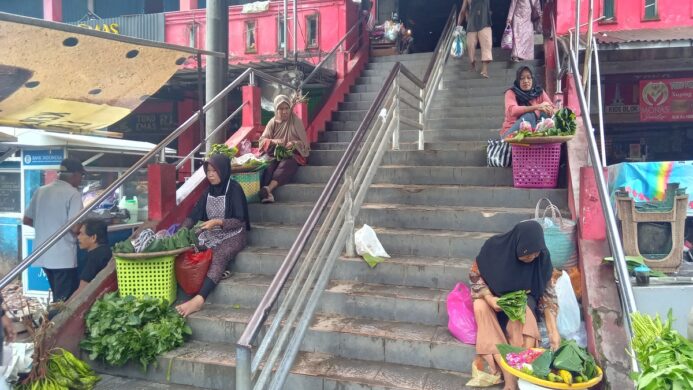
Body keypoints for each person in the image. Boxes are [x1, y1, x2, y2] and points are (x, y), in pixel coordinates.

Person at [470, 220, 560, 390]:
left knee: (523, 318)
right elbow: (475, 276)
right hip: (494, 300)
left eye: (535, 254)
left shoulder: (542, 258)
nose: (532, 257)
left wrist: (553, 330)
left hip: (522, 302)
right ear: (516, 245)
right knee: (479, 306)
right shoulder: (494, 248)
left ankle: (517, 374)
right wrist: (490, 299)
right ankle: (510, 379)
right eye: (527, 254)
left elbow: (548, 295)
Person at [177, 154, 250, 317]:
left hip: (234, 233)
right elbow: (194, 215)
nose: (210, 174)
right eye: (208, 171)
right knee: (193, 247)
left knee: (219, 254)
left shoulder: (234, 189)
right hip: (213, 232)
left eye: (214, 171)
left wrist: (217, 222)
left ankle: (199, 300)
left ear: (223, 171)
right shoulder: (207, 192)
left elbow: (240, 220)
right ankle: (216, 274)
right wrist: (182, 231)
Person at [23, 158, 85, 302]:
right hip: (63, 257)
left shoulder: (41, 191)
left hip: (42, 254)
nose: (81, 179)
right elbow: (75, 226)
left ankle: (52, 322)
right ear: (75, 174)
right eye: (82, 175)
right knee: (64, 301)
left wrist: (46, 227)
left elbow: (27, 219)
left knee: (57, 296)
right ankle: (57, 323)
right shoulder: (73, 194)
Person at [258, 95, 310, 204]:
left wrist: (294, 143)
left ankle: (268, 189)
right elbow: (262, 141)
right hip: (274, 154)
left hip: (291, 154)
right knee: (268, 166)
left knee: (287, 164)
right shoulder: (272, 122)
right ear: (276, 110)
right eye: (281, 109)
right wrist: (274, 141)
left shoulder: (296, 121)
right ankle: (267, 194)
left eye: (287, 108)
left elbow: (305, 144)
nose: (285, 111)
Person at [501, 65, 555, 138]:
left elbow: (552, 107)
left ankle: (539, 141)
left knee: (547, 113)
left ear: (533, 79)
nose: (526, 81)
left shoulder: (539, 91)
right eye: (522, 78)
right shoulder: (511, 92)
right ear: (518, 80)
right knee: (529, 116)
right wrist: (537, 107)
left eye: (529, 78)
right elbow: (513, 111)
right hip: (510, 135)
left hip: (530, 133)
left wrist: (552, 110)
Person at [72, 219, 112, 298]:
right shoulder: (106, 251)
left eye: (81, 234)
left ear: (93, 237)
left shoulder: (95, 257)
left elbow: (82, 290)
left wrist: (63, 306)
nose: (78, 237)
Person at [458, 0, 493, 78]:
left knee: (486, 46)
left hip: (485, 23)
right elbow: (462, 11)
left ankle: (484, 69)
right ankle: (472, 64)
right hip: (471, 25)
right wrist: (458, 25)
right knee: (470, 46)